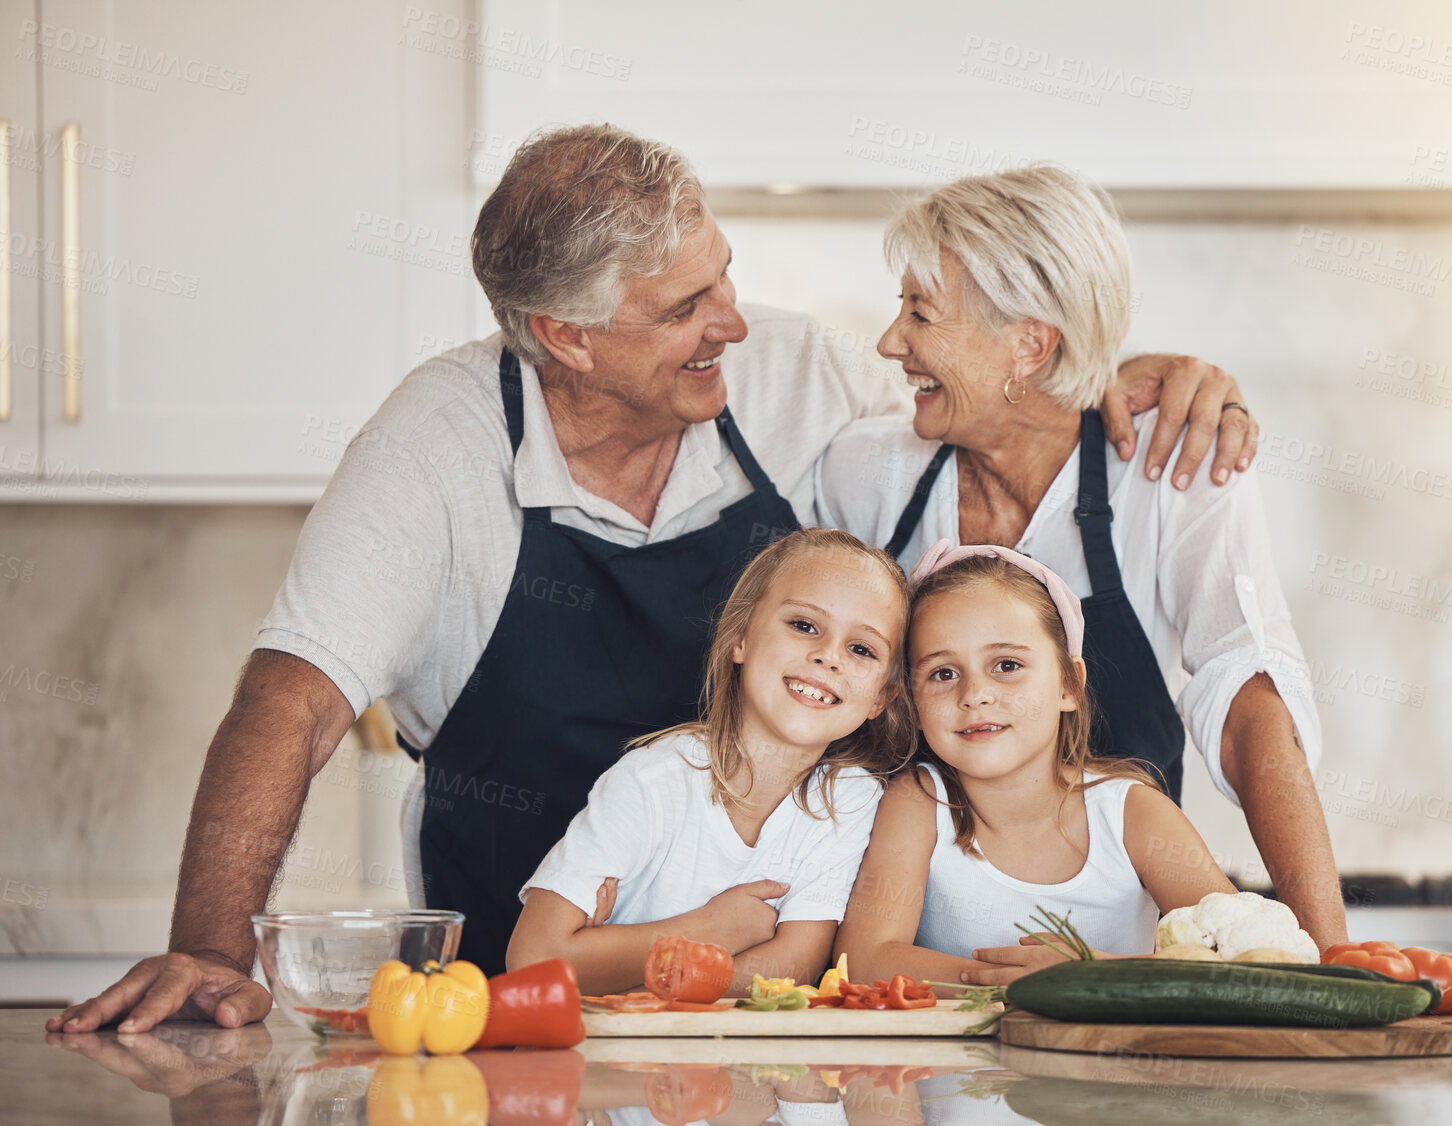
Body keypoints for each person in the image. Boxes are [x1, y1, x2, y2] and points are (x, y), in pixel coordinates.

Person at [49, 123, 1261, 1034]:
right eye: (686, 306)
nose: (733, 321)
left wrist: (1122, 373)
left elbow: (995, 390)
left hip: (766, 1029)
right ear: (565, 337)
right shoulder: (436, 448)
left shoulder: (791, 379)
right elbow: (290, 699)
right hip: (511, 1018)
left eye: (723, 275)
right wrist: (210, 949)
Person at [818, 165, 1346, 948]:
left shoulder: (1171, 467)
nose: (891, 342)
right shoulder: (863, 474)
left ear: (1028, 343)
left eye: (920, 313)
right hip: (909, 978)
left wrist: (1327, 953)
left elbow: (1249, 707)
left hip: (1119, 981)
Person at [506, 528, 913, 993]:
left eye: (861, 649)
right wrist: (716, 928)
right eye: (804, 625)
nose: (827, 656)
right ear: (740, 637)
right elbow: (534, 960)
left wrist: (618, 965)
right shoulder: (650, 781)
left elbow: (795, 965)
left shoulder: (851, 800)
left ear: (883, 695)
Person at [836, 543, 1235, 987]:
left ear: (1069, 684)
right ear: (912, 698)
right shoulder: (918, 800)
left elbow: (1240, 957)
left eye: (1006, 665)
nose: (975, 694)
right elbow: (865, 961)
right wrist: (1027, 983)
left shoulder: (1134, 814)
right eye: (943, 673)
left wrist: (1090, 977)